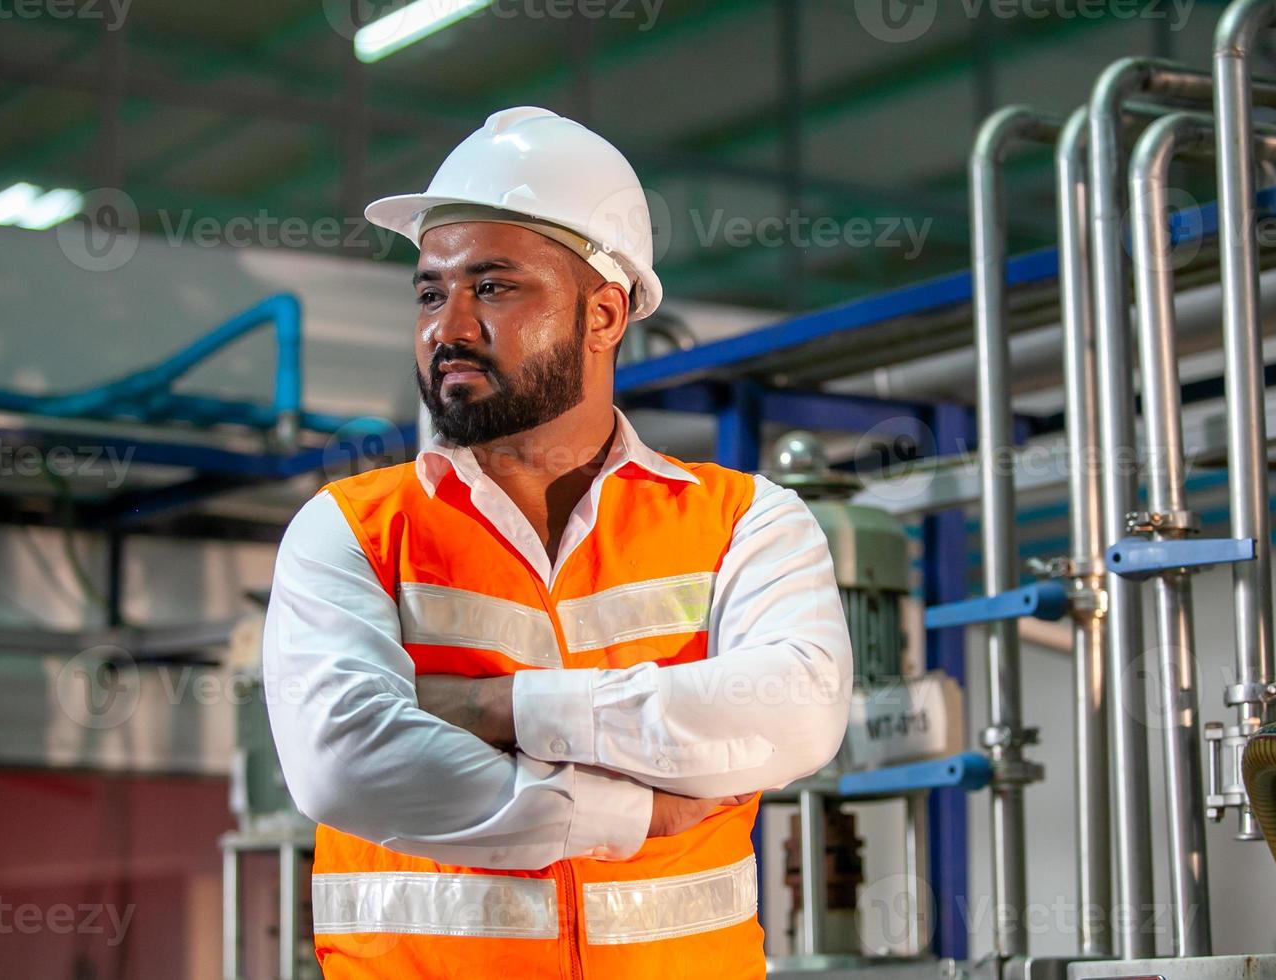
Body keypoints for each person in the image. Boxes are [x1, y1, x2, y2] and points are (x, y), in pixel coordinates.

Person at [263, 106, 852, 979]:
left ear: (605, 313)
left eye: (493, 287)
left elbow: (796, 713)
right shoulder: (350, 528)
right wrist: (629, 812)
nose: (448, 327)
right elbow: (345, 766)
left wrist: (499, 709)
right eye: (431, 291)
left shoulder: (743, 521)